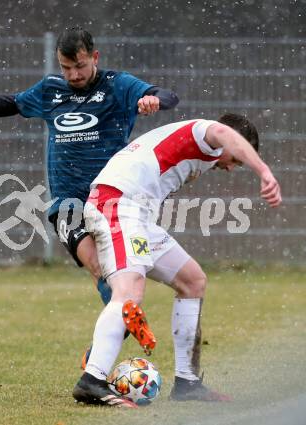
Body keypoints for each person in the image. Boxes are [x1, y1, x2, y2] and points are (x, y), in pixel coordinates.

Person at [0, 27, 179, 306]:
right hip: (67, 205)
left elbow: (168, 95)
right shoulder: (50, 89)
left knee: (122, 278)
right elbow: (4, 104)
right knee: (102, 270)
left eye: (80, 66)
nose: (74, 75)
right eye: (66, 68)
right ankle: (121, 322)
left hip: (109, 200)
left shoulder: (117, 85)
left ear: (95, 57)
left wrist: (154, 99)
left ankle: (110, 337)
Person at [72, 113, 282, 407]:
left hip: (137, 215)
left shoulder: (201, 145)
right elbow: (222, 131)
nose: (233, 169)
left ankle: (187, 383)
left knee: (193, 281)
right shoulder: (205, 132)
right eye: (238, 160)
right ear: (234, 142)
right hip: (117, 202)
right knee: (129, 290)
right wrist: (264, 172)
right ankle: (92, 380)